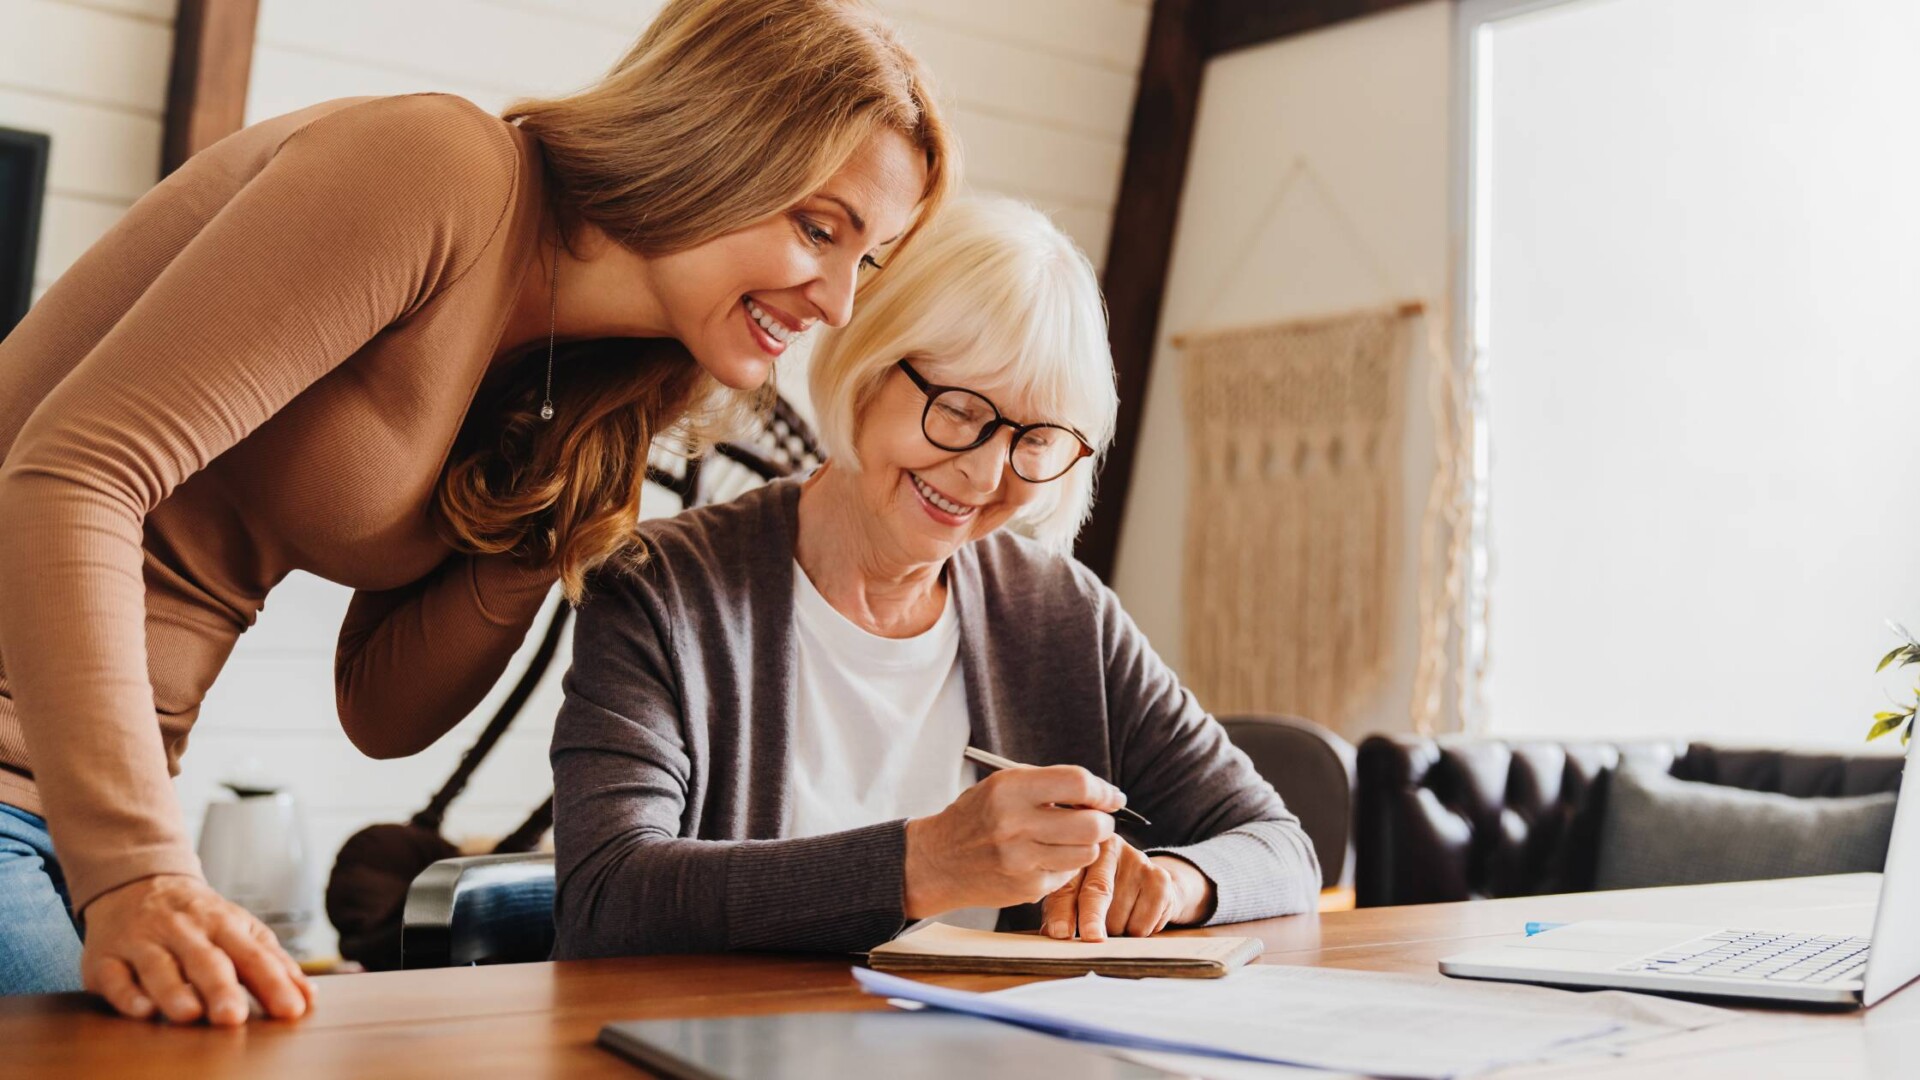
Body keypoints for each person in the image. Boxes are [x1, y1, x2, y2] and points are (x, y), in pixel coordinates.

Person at [0, 0, 954, 1022]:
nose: (838, 303)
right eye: (819, 228)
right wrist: (141, 874)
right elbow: (75, 471)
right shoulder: (440, 168)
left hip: (63, 804)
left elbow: (382, 709)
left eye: (868, 259)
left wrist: (550, 519)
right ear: (712, 143)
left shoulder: (599, 394)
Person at [550, 198, 1320, 960]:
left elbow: (1281, 848)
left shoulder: (1060, 614)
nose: (986, 474)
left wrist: (1169, 883)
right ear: (869, 368)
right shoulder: (662, 592)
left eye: (1036, 438)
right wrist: (926, 863)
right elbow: (607, 897)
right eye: (958, 411)